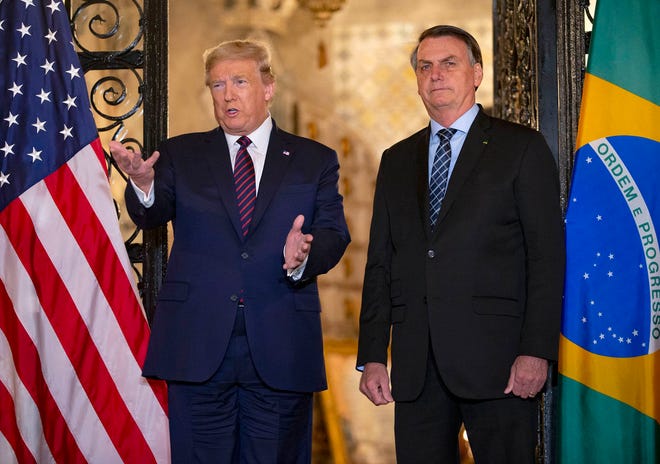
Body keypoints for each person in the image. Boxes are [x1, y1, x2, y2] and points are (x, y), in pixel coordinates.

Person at [109, 39, 350, 463]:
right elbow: (151, 215)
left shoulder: (314, 159)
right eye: (217, 85)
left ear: (268, 87)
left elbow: (333, 233)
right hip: (197, 347)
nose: (228, 94)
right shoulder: (181, 153)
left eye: (239, 81)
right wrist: (143, 185)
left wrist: (305, 255)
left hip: (281, 344)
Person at [356, 25, 565, 464]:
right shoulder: (396, 160)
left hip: (501, 364)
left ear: (476, 73)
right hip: (416, 369)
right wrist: (373, 355)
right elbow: (381, 264)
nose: (436, 75)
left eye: (449, 63)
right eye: (425, 66)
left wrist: (536, 350)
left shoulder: (521, 148)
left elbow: (547, 259)